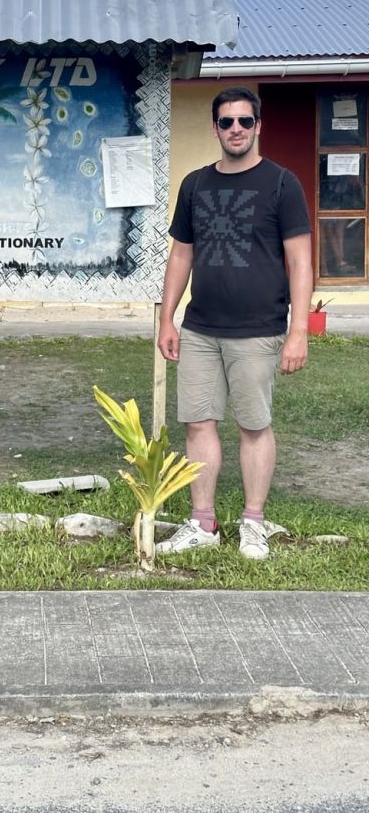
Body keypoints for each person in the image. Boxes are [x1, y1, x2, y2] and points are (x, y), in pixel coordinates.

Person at [156, 87, 313, 560]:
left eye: (245, 121)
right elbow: (181, 254)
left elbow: (301, 261)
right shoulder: (195, 185)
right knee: (198, 424)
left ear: (258, 125)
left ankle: (253, 521)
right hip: (201, 328)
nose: (236, 130)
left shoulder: (282, 184)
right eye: (227, 122)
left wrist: (298, 330)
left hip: (259, 329)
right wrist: (167, 317)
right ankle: (202, 522)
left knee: (253, 425)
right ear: (215, 128)